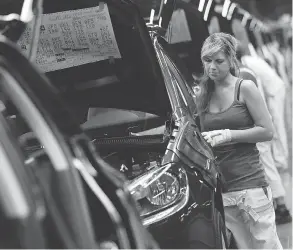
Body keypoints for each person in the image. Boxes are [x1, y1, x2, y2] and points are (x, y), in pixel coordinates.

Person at [196, 32, 283, 249]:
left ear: (231, 59)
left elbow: (267, 131)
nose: (212, 67)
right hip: (222, 188)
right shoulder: (203, 95)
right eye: (207, 61)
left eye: (218, 61)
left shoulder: (244, 88)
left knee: (266, 245)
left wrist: (230, 134)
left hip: (250, 184)